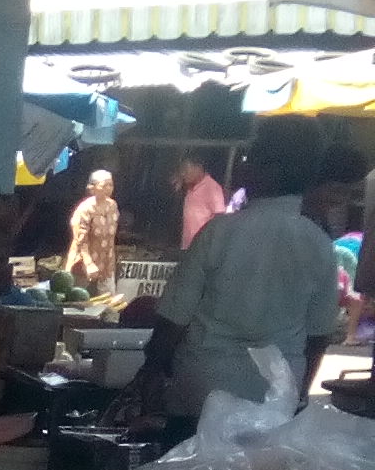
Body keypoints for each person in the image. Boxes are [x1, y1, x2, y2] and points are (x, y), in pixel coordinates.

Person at [135, 118, 341, 434]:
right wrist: (297, 393)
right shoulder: (319, 244)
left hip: (202, 394)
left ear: (264, 168)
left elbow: (173, 318)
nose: (242, 167)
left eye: (249, 159)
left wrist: (151, 371)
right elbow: (319, 337)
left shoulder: (220, 232)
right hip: (275, 400)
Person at [64, 169, 118, 292]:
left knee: (108, 301)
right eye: (104, 185)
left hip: (106, 262)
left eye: (111, 185)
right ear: (92, 188)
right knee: (77, 299)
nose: (109, 188)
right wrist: (88, 263)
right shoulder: (85, 209)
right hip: (83, 262)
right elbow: (80, 239)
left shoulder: (112, 206)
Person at [177, 155, 227, 250]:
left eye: (186, 170)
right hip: (188, 247)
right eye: (182, 171)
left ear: (198, 168)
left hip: (202, 248)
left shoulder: (212, 188)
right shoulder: (190, 187)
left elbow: (219, 219)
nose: (183, 174)